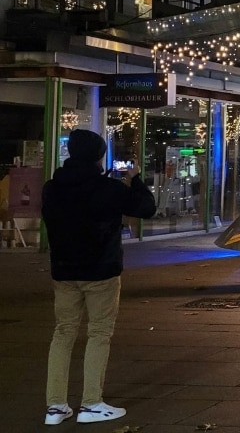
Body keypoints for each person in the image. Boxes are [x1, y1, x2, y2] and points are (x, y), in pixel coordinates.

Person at [42, 130, 155, 425]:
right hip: (101, 271)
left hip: (64, 271)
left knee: (63, 332)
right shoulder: (107, 188)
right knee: (99, 333)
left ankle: (55, 406)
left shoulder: (52, 188)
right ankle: (91, 402)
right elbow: (146, 208)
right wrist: (136, 179)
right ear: (97, 155)